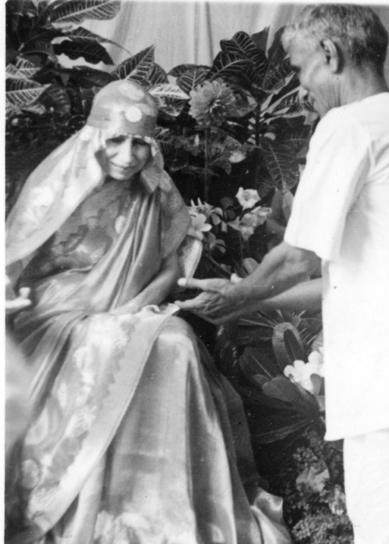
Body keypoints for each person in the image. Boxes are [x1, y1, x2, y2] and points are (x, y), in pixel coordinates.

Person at [177, 5, 389, 544]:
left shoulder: (350, 124)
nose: (302, 87)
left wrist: (237, 294)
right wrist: (247, 299)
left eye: (301, 68)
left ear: (331, 53)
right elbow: (355, 276)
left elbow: (299, 254)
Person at [4, 80, 290, 544]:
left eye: (140, 143)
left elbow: (169, 267)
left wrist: (135, 309)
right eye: (116, 140)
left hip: (130, 307)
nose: (127, 155)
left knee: (175, 341)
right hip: (58, 311)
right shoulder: (57, 188)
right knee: (108, 343)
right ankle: (85, 500)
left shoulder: (153, 191)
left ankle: (162, 506)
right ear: (94, 136)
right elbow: (14, 262)